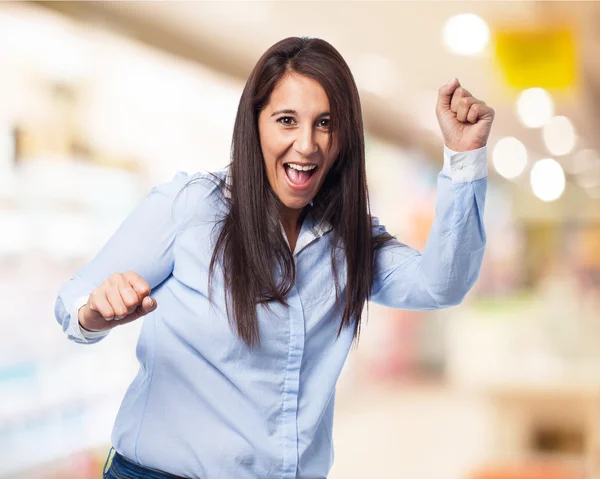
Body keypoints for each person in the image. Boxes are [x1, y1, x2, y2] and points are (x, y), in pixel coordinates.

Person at [55, 36, 494, 479]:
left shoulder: (350, 240)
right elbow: (73, 299)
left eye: (325, 123)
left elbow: (441, 283)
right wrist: (96, 312)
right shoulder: (191, 207)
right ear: (255, 124)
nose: (306, 144)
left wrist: (465, 158)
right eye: (286, 120)